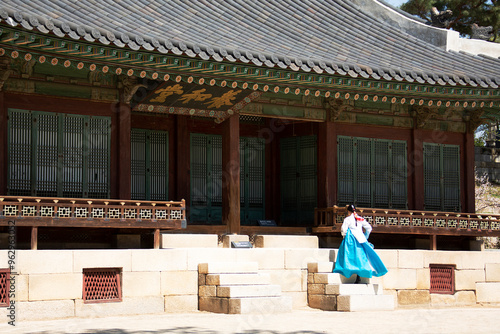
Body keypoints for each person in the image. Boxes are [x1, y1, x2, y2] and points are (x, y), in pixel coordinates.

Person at [333, 204, 388, 283]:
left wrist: (345, 237)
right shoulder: (360, 219)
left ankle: (347, 271)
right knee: (360, 257)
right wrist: (365, 236)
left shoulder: (347, 219)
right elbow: (369, 228)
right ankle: (359, 276)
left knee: (349, 256)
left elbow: (344, 230)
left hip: (350, 240)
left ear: (348, 211)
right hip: (361, 240)